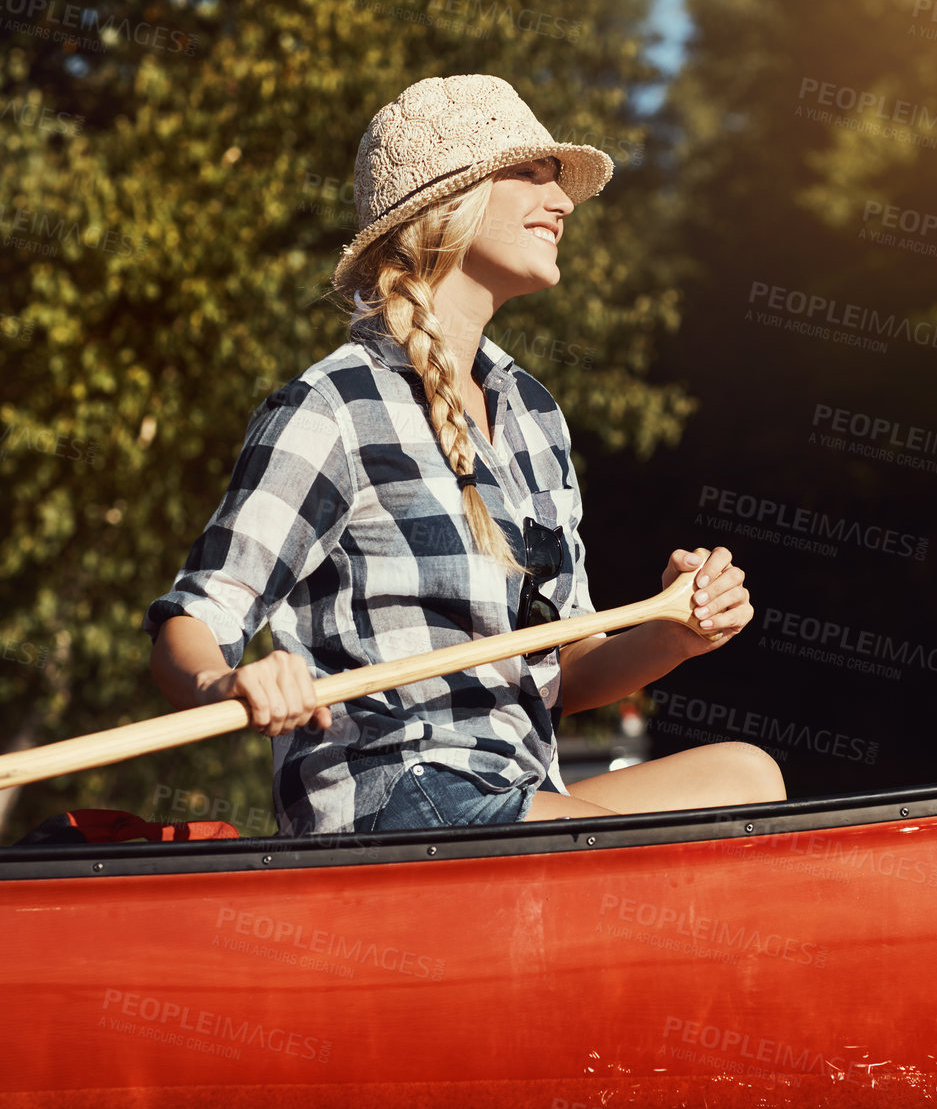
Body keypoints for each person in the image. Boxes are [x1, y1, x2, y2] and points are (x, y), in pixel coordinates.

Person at [144, 74, 786, 835]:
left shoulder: (535, 417)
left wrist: (675, 630)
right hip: (396, 795)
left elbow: (568, 667)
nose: (564, 201)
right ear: (447, 202)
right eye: (532, 172)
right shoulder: (332, 407)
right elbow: (195, 615)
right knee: (589, 838)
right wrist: (228, 683)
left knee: (748, 778)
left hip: (521, 794)